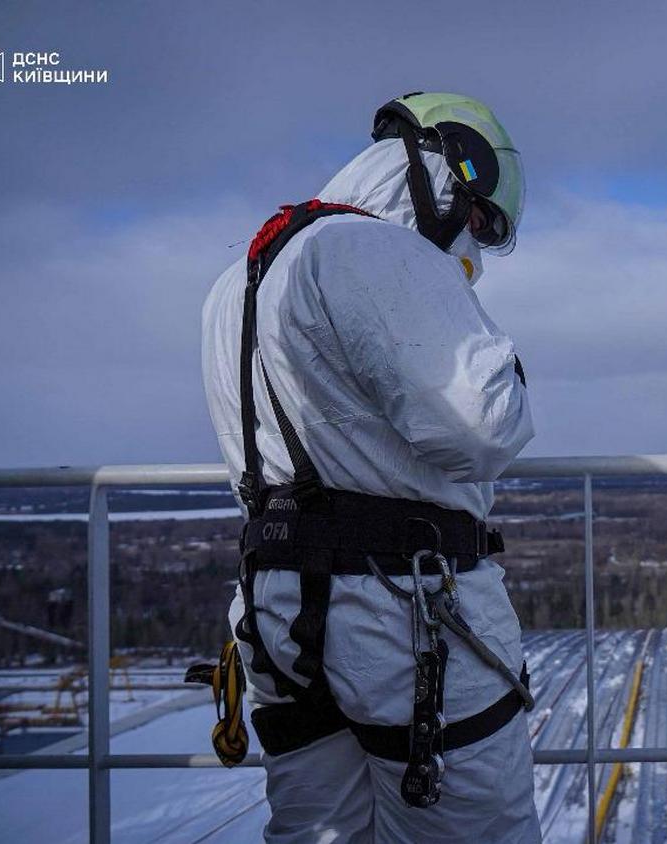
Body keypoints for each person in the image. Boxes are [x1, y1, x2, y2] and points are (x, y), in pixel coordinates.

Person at [200, 91, 539, 843]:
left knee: (318, 827)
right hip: (401, 615)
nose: (474, 237)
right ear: (454, 168)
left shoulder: (241, 279)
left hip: (282, 613)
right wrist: (507, 367)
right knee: (471, 826)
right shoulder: (377, 250)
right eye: (478, 214)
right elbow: (482, 426)